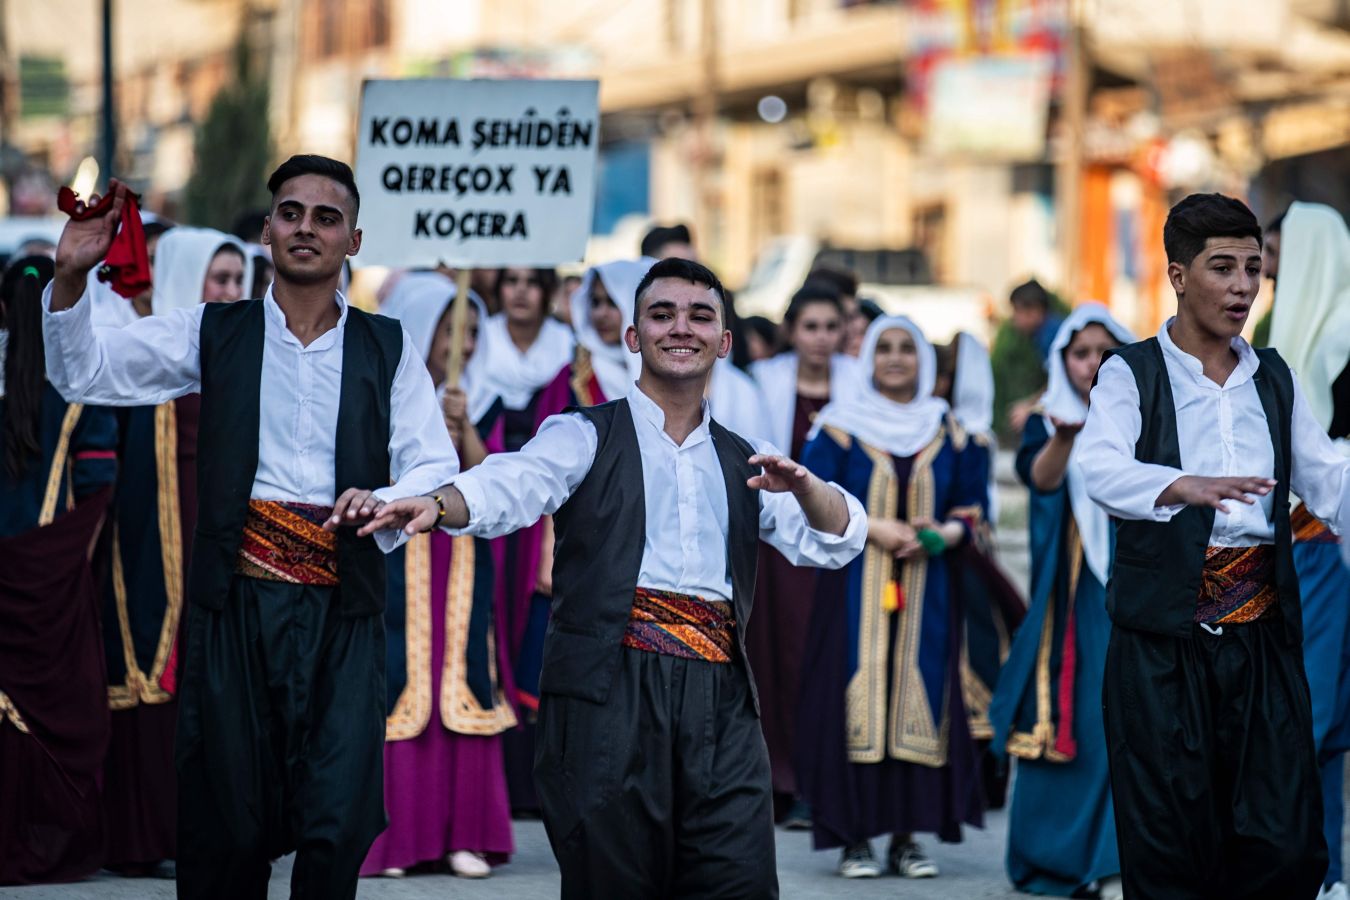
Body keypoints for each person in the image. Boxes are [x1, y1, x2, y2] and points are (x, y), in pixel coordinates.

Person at [355, 256, 866, 899]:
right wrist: (437, 503)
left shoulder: (747, 461)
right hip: (607, 696)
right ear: (633, 337)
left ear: (723, 341)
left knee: (739, 882)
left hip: (721, 703)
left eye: (700, 315)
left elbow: (838, 537)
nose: (681, 328)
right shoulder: (582, 434)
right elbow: (512, 483)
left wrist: (809, 485)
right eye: (662, 314)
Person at [42, 156, 460, 900]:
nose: (306, 228)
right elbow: (85, 375)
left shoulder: (387, 347)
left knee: (337, 822)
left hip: (344, 613)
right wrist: (70, 279)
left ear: (353, 240)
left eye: (326, 217)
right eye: (291, 213)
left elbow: (433, 465)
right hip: (234, 609)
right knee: (227, 824)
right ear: (267, 229)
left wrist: (389, 497)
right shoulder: (214, 331)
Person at [1077, 192, 1350, 899]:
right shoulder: (1129, 372)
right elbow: (1099, 467)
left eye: (1253, 268)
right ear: (1177, 274)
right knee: (1171, 844)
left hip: (1261, 644)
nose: (1241, 286)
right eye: (1221, 267)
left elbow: (1328, 482)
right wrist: (1179, 485)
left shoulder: (1276, 379)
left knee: (1283, 843)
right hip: (1162, 649)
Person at [795, 315, 989, 879]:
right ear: (868, 359)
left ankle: (907, 839)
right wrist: (873, 527)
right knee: (853, 699)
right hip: (851, 586)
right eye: (885, 349)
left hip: (929, 587)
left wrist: (943, 534)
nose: (897, 358)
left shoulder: (947, 428)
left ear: (926, 362)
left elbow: (971, 505)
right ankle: (853, 839)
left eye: (908, 348)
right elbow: (812, 497)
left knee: (921, 696)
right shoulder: (837, 426)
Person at [97, 226, 250, 879]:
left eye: (239, 280)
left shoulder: (243, 355)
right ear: (188, 281)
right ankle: (140, 833)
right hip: (150, 539)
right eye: (219, 279)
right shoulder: (148, 352)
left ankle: (208, 830)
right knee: (153, 670)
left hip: (224, 540)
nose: (231, 292)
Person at [362, 273, 515, 880]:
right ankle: (398, 839)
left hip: (460, 554)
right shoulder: (378, 391)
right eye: (454, 330)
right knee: (399, 672)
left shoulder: (487, 395)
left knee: (462, 672)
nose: (468, 344)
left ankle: (465, 833)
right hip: (398, 551)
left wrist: (466, 431)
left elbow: (498, 481)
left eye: (474, 331)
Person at [989, 303, 1134, 899]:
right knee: (1080, 723)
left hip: (1139, 587)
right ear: (1062, 360)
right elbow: (1042, 479)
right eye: (1081, 353)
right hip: (1075, 600)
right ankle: (1062, 858)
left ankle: (1116, 860)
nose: (1094, 364)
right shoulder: (1047, 421)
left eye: (1105, 352)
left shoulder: (1151, 414)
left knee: (1133, 722)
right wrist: (1067, 437)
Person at [0, 257, 118, 885]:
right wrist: (70, 558)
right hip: (50, 571)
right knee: (53, 707)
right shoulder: (78, 383)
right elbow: (99, 480)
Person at [747, 281, 856, 824]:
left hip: (841, 536)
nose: (820, 338)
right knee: (779, 658)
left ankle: (824, 780)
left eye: (830, 327)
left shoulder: (858, 383)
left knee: (830, 659)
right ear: (792, 329)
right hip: (780, 546)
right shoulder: (761, 381)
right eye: (810, 326)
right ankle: (779, 780)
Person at [1267, 202, 1350, 900]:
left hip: (1329, 543)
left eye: (1271, 252)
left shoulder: (1343, 330)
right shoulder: (1290, 328)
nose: (1261, 270)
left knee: (1316, 708)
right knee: (1304, 709)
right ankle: (1319, 869)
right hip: (1295, 542)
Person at [478, 262, 574, 815]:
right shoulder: (479, 339)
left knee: (538, 638)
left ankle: (535, 781)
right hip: (490, 505)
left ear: (545, 291)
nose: (518, 290)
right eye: (509, 280)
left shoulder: (569, 350)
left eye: (529, 281)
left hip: (544, 514)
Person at [941, 330, 1025, 811]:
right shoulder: (950, 430)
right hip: (959, 554)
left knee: (978, 660)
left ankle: (982, 775)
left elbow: (973, 508)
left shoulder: (969, 435)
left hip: (963, 555)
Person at [991, 278, 1065, 437]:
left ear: (1035, 311)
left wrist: (1030, 406)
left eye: (1017, 311)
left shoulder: (1053, 336)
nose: (1014, 319)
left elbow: (1061, 381)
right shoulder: (1043, 334)